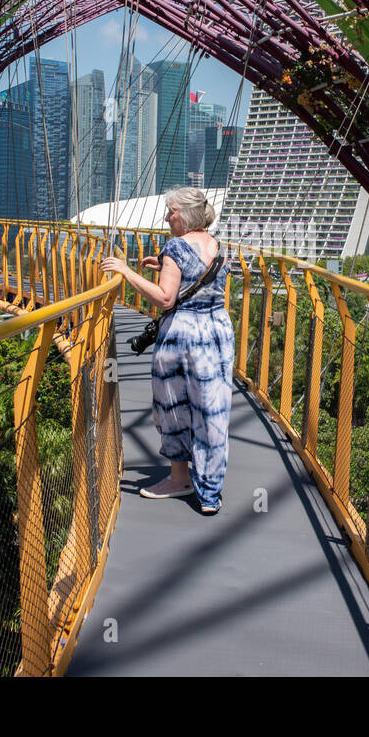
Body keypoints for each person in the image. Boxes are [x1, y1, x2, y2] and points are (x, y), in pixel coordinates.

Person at [100, 187, 234, 514]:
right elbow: (196, 273)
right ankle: (210, 494)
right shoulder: (218, 246)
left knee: (173, 404)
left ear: (185, 215)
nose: (165, 217)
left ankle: (179, 478)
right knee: (212, 410)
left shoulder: (176, 246)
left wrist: (127, 271)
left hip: (184, 336)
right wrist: (163, 264)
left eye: (170, 212)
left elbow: (165, 299)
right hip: (217, 332)